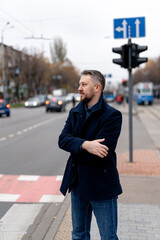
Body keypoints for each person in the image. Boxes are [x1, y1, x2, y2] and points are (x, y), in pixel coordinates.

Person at [58, 70, 122, 240]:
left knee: (108, 237)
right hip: (78, 183)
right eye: (79, 84)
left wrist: (76, 148)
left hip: (102, 185)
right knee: (78, 235)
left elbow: (101, 153)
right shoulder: (75, 112)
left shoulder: (112, 115)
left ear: (97, 88)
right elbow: (62, 140)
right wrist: (86, 145)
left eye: (84, 84)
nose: (79, 88)